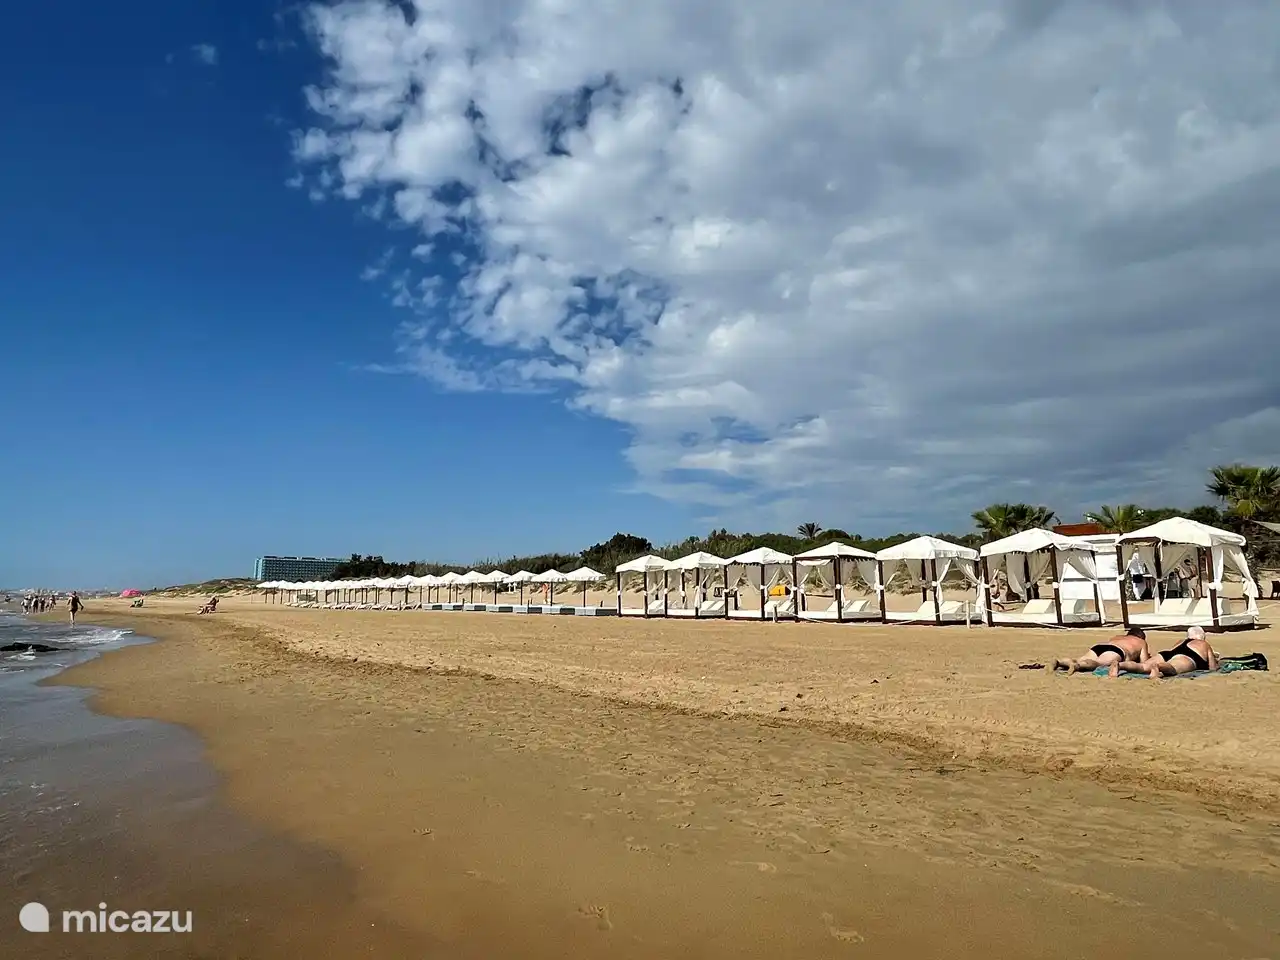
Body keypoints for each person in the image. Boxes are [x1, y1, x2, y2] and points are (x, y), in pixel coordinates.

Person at [1112, 626, 1218, 679]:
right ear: (1202, 637)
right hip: (1189, 656)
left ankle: (1120, 665)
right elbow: (1212, 667)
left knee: (1143, 666)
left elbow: (1172, 652)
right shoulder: (1204, 644)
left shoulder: (1181, 641)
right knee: (1172, 667)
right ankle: (1158, 667)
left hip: (1169, 653)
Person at [1054, 626, 1149, 675]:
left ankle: (1060, 662)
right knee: (1098, 663)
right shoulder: (1141, 642)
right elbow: (1144, 662)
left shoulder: (1117, 637)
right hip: (1117, 650)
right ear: (1141, 637)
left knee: (1080, 659)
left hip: (1100, 646)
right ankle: (1078, 665)